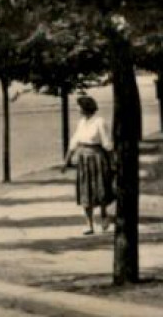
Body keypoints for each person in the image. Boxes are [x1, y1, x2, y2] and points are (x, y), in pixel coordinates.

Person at [64, 94, 115, 234]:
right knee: (85, 191)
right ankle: (89, 224)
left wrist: (112, 161)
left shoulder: (99, 121)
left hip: (98, 158)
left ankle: (104, 216)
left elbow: (106, 143)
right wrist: (67, 159)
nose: (77, 108)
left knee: (101, 189)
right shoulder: (81, 122)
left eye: (79, 106)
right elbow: (74, 141)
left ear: (85, 107)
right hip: (84, 160)